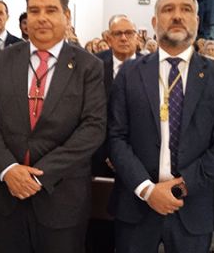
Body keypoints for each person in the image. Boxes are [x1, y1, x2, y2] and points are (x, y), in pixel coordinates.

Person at [0, 0, 106, 253]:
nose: (42, 18)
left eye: (51, 10)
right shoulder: (5, 59)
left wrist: (38, 176)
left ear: (66, 17)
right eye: (34, 11)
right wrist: (8, 169)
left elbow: (92, 128)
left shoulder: (88, 66)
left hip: (61, 197)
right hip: (6, 196)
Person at [108, 0, 214, 253]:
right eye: (168, 9)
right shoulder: (129, 73)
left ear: (197, 21)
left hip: (193, 207)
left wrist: (180, 187)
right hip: (137, 204)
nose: (177, 16)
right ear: (155, 22)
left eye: (186, 9)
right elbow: (116, 138)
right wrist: (147, 190)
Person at [87, 14, 140, 253]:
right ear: (108, 38)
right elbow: (88, 113)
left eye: (129, 33)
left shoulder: (152, 67)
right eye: (118, 33)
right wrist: (109, 153)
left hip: (139, 162)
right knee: (100, 232)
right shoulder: (93, 66)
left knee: (133, 234)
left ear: (137, 37)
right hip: (99, 159)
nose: (124, 38)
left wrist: (126, 158)